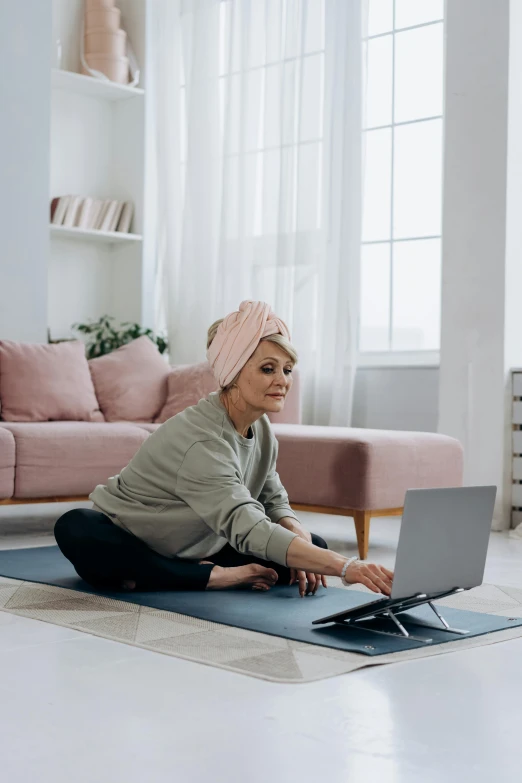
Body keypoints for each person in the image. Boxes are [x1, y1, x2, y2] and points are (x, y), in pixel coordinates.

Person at [54, 300, 394, 598]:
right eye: (267, 369)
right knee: (76, 528)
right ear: (232, 373)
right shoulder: (202, 439)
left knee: (313, 546)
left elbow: (273, 500)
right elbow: (245, 524)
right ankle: (213, 577)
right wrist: (348, 566)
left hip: (201, 542)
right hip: (135, 540)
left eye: (287, 370)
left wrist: (303, 541)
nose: (283, 381)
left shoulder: (259, 428)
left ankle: (169, 575)